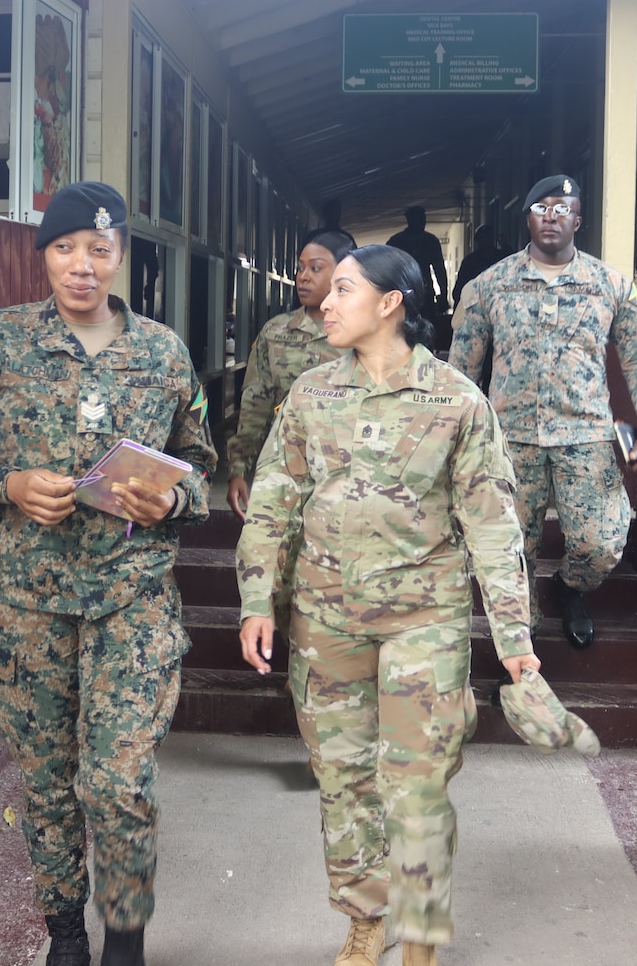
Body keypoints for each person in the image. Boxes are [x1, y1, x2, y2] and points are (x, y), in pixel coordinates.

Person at [0, 181, 216, 966]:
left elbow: (203, 465)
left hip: (132, 596)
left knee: (118, 779)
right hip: (24, 601)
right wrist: (7, 485)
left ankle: (125, 933)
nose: (82, 266)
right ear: (44, 255)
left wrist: (173, 498)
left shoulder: (163, 351)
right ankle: (63, 931)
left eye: (98, 249)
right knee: (48, 782)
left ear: (121, 254)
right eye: (64, 249)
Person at [235, 244, 539, 966]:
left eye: (343, 290)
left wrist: (513, 634)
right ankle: (367, 920)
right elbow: (274, 500)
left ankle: (423, 932)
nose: (327, 304)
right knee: (342, 781)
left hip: (422, 623)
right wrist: (257, 599)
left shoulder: (457, 402)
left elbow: (493, 524)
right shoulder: (310, 393)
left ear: (391, 302)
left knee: (417, 782)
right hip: (325, 622)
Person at [448, 175, 637, 650]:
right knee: (511, 548)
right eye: (540, 207)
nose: (551, 215)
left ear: (578, 220)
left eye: (562, 207)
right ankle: (521, 635)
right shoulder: (489, 285)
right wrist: (458, 438)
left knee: (602, 543)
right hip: (508, 439)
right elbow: (461, 370)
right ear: (526, 218)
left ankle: (571, 588)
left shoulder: (611, 286)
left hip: (584, 436)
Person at [225, 230, 355, 518]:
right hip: (283, 470)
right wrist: (238, 469)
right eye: (300, 267)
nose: (303, 276)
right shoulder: (276, 332)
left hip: (348, 479)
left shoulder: (362, 335)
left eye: (316, 268)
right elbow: (255, 404)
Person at [385, 206, 450, 321]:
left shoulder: (397, 241)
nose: (421, 222)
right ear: (409, 220)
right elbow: (439, 270)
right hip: (408, 293)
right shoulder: (398, 241)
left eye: (422, 219)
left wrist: (444, 295)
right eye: (418, 219)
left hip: (415, 293)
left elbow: (439, 270)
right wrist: (443, 295)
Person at [451, 223, 508, 305]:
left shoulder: (502, 258)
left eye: (487, 238)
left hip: (498, 302)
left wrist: (506, 247)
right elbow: (459, 289)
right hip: (476, 303)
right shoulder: (470, 261)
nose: (485, 241)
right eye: (483, 238)